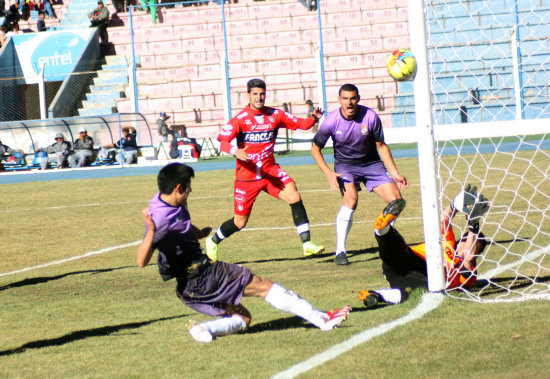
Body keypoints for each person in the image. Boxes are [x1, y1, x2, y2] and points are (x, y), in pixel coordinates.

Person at [137, 163, 351, 343]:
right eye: (189, 187)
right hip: (204, 275)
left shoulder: (165, 199)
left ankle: (205, 329)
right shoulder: (159, 220)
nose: (191, 191)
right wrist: (152, 232)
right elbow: (141, 261)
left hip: (190, 288)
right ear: (178, 188)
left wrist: (198, 232)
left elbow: (181, 222)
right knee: (264, 286)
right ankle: (322, 320)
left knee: (243, 318)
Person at [205, 78, 325, 261]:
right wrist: (235, 151)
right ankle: (213, 241)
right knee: (240, 222)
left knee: (294, 195)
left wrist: (314, 117)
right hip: (247, 177)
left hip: (270, 171)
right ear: (248, 95)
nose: (259, 98)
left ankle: (307, 244)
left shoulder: (275, 115)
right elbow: (222, 140)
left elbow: (302, 124)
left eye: (262, 94)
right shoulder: (240, 119)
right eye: (255, 94)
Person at [311, 83, 409, 265]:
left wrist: (395, 173)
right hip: (345, 167)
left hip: (372, 165)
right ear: (339, 100)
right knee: (351, 200)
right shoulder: (331, 121)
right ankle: (340, 251)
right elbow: (315, 149)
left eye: (353, 98)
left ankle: (383, 236)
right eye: (345, 99)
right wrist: (329, 173)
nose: (349, 103)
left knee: (396, 202)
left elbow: (381, 146)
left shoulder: (370, 116)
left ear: (358, 99)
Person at [358, 185, 490, 307]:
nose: (472, 245)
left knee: (414, 293)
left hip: (419, 278)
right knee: (397, 247)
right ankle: (381, 230)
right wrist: (454, 205)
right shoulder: (448, 242)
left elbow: (470, 258)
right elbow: (443, 220)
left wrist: (474, 225)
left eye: (478, 246)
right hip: (411, 260)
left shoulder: (469, 271)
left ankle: (375, 295)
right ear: (461, 240)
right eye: (470, 241)